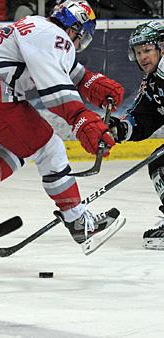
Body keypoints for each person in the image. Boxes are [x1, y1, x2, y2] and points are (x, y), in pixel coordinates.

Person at [0, 0, 125, 253]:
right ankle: (77, 220)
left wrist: (89, 81)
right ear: (75, 29)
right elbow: (55, 88)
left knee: (25, 143)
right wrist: (81, 119)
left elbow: (67, 70)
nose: (77, 45)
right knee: (49, 148)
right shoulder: (54, 36)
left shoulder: (39, 28)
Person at [109, 20, 164, 251]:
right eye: (139, 52)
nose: (143, 57)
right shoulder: (154, 82)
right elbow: (145, 115)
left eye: (148, 50)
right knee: (160, 163)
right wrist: (120, 130)